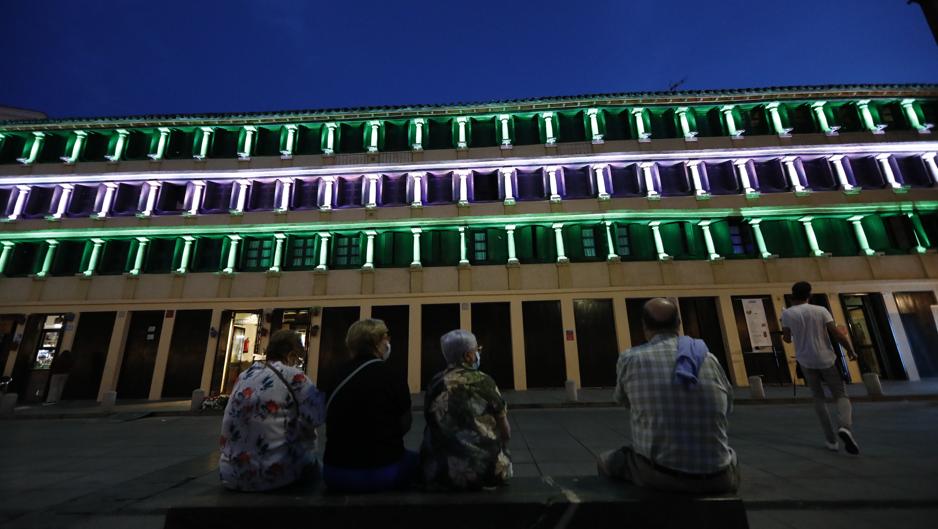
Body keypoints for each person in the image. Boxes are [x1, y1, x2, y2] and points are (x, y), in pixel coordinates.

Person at [597, 298, 739, 493]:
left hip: (661, 475)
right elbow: (728, 406)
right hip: (719, 476)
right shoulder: (708, 357)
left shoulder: (631, 358)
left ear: (644, 325)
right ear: (678, 324)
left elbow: (622, 400)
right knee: (731, 455)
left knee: (606, 461)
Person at [219, 330, 325, 491]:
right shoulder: (294, 375)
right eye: (297, 358)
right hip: (273, 474)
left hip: (230, 473)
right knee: (319, 470)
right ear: (290, 355)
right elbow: (317, 415)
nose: (297, 363)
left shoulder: (245, 375)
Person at [322, 319, 415, 492]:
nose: (389, 342)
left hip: (335, 473)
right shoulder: (392, 374)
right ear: (376, 342)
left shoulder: (336, 374)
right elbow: (406, 423)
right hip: (383, 471)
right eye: (386, 337)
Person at [420, 329, 512, 490]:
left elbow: (429, 420)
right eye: (477, 350)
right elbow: (505, 430)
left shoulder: (435, 382)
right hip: (485, 471)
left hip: (442, 471)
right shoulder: (484, 381)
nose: (478, 354)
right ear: (467, 355)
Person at [781, 281, 860, 455]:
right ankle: (845, 426)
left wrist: (789, 333)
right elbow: (836, 333)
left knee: (818, 397)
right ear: (809, 295)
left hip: (805, 359)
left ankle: (831, 440)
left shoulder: (787, 314)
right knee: (840, 393)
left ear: (792, 294)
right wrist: (850, 350)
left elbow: (787, 338)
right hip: (826, 357)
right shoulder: (820, 311)